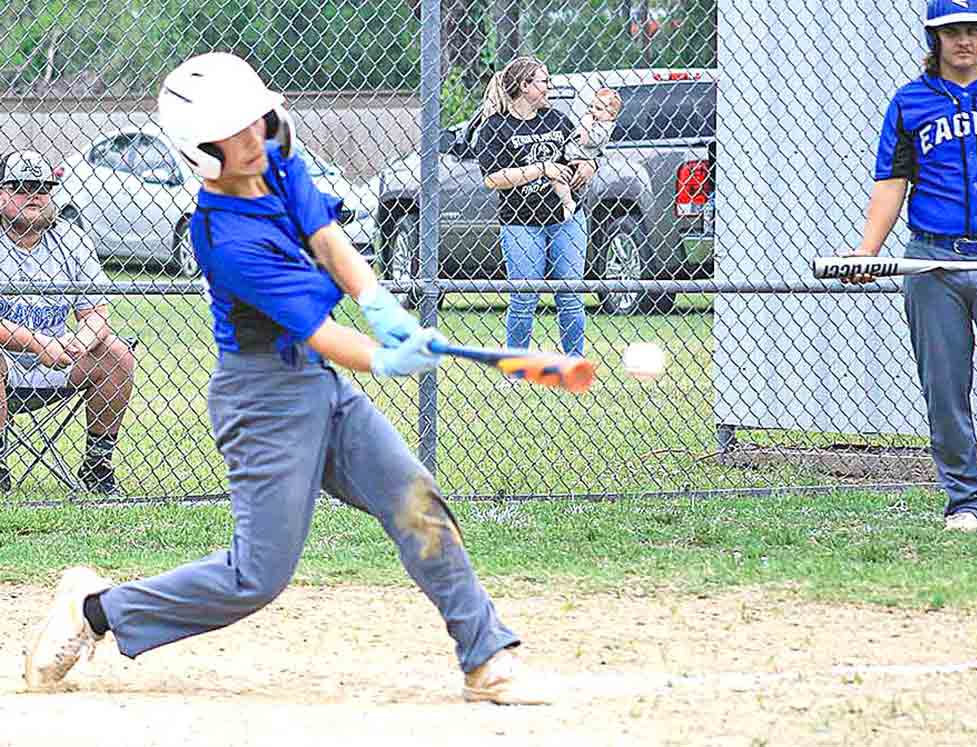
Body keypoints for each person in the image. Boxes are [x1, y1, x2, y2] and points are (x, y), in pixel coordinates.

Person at [23, 52, 549, 705]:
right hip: (262, 399)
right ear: (201, 151)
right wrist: (388, 357)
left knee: (415, 499)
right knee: (257, 576)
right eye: (233, 133)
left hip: (318, 383)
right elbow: (320, 332)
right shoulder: (222, 237)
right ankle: (93, 610)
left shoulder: (275, 163)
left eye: (257, 121)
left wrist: (381, 304)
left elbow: (327, 236)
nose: (252, 138)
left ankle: (485, 655)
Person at [846, 0, 977, 531]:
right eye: (952, 31)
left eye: (974, 30)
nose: (964, 40)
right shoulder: (911, 102)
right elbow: (892, 181)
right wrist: (868, 251)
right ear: (934, 38)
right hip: (932, 260)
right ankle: (965, 502)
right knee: (945, 386)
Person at [0, 150, 135, 494]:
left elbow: (95, 314)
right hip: (8, 363)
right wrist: (34, 341)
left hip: (58, 361)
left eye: (43, 186)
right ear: (1, 192)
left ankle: (97, 465)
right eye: (22, 185)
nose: (34, 194)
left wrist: (80, 341)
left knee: (116, 353)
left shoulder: (70, 238)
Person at [476, 56, 598, 358]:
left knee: (570, 296)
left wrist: (588, 165)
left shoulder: (557, 119)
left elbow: (581, 152)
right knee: (524, 298)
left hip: (566, 219)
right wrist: (543, 169)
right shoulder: (495, 127)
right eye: (544, 81)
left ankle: (574, 364)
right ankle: (517, 369)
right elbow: (493, 178)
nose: (549, 87)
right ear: (524, 85)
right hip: (521, 223)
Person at [552, 87, 622, 222]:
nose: (592, 111)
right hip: (569, 157)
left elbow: (585, 140)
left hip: (577, 161)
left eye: (599, 109)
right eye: (591, 106)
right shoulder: (597, 123)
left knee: (558, 179)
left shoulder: (604, 128)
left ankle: (568, 204)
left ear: (611, 116)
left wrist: (585, 124)